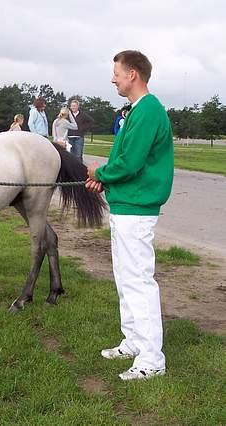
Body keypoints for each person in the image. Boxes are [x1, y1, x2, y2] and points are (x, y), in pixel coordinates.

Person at [86, 50, 174, 381]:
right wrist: (104, 180)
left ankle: (152, 359)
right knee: (126, 279)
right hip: (125, 205)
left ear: (133, 74)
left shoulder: (149, 110)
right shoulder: (137, 110)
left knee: (138, 282)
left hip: (137, 209)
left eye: (117, 73)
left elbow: (131, 162)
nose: (113, 79)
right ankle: (134, 342)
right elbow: (124, 160)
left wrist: (100, 171)